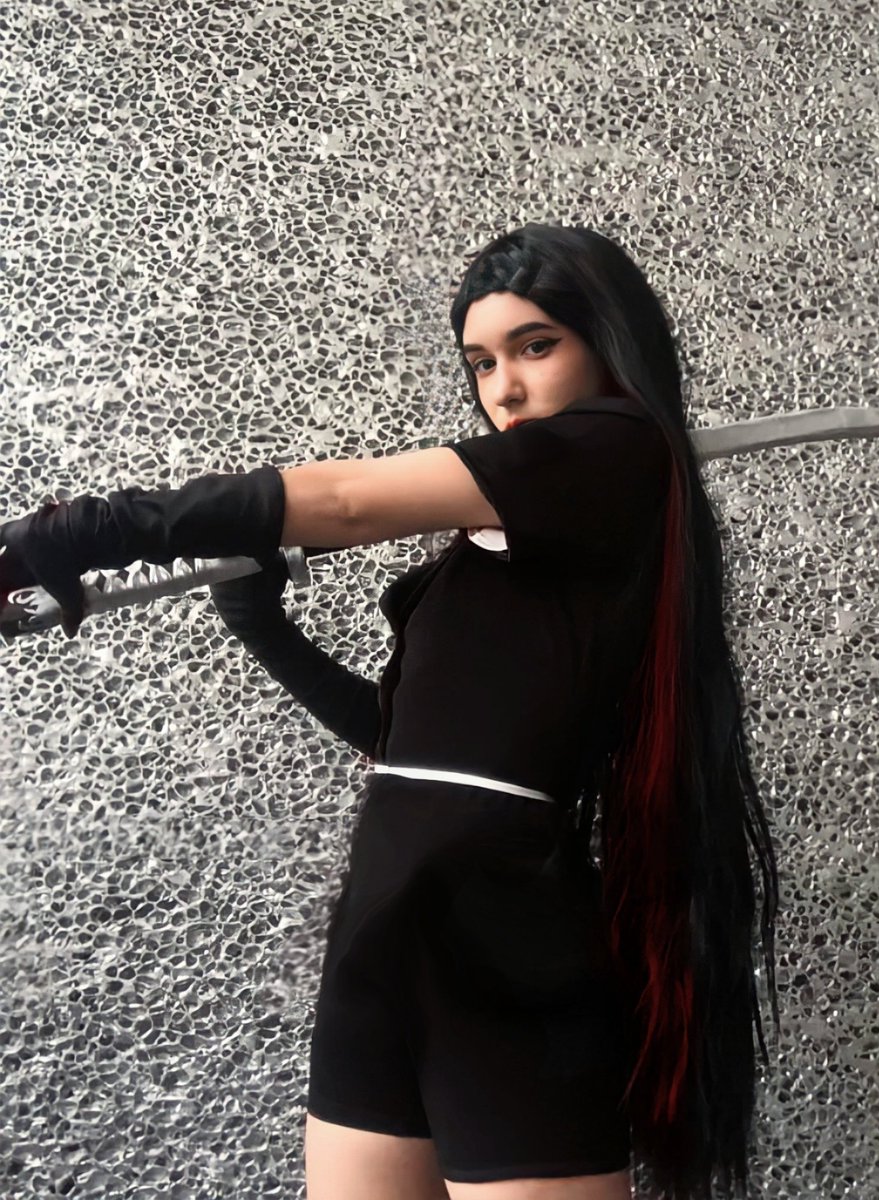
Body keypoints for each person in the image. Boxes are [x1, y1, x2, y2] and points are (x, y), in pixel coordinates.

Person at [0, 223, 780, 1200]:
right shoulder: (521, 517)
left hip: (497, 915)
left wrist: (70, 534)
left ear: (605, 341)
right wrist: (264, 628)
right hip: (386, 906)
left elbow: (346, 501)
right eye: (481, 362)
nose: (503, 388)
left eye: (536, 347)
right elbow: (415, 750)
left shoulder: (614, 449)